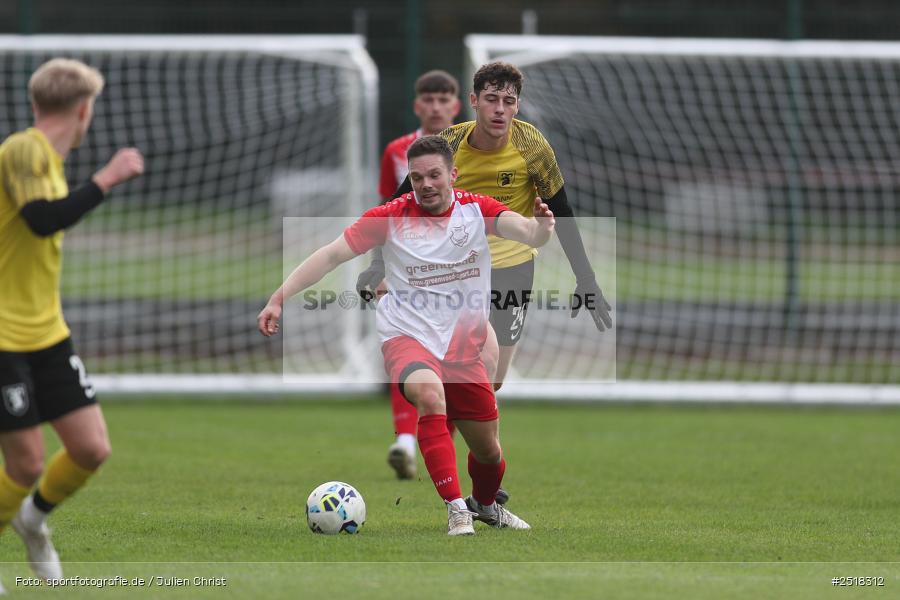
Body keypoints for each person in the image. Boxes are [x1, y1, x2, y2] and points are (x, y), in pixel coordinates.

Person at [259, 136, 551, 535]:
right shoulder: (390, 217)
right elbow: (330, 254)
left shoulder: (476, 210)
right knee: (429, 395)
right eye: (417, 178)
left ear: (453, 174)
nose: (426, 184)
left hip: (463, 344)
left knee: (489, 452)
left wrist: (541, 227)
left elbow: (527, 232)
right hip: (407, 335)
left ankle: (484, 504)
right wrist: (279, 297)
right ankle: (456, 509)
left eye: (434, 175)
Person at [358, 61, 612, 400]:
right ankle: (440, 420)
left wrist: (586, 279)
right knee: (449, 372)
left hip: (513, 268)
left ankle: (457, 420)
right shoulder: (448, 144)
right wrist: (379, 264)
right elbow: (397, 207)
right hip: (453, 269)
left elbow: (562, 212)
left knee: (492, 382)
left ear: (517, 106)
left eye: (508, 101)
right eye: (491, 99)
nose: (499, 109)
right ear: (474, 101)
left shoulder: (533, 147)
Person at [0, 58, 144, 585]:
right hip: (3, 336)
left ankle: (31, 519)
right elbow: (42, 220)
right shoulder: (24, 148)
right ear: (84, 110)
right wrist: (106, 178)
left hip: (47, 333)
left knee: (90, 448)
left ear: (37, 101)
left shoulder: (48, 162)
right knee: (25, 465)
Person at [378, 70, 461, 480]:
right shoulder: (397, 151)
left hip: (458, 270)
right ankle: (406, 441)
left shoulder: (468, 150)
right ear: (417, 106)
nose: (435, 107)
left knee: (460, 362)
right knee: (406, 344)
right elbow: (382, 212)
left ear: (456, 105)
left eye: (443, 99)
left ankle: (434, 440)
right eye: (428, 99)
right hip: (407, 265)